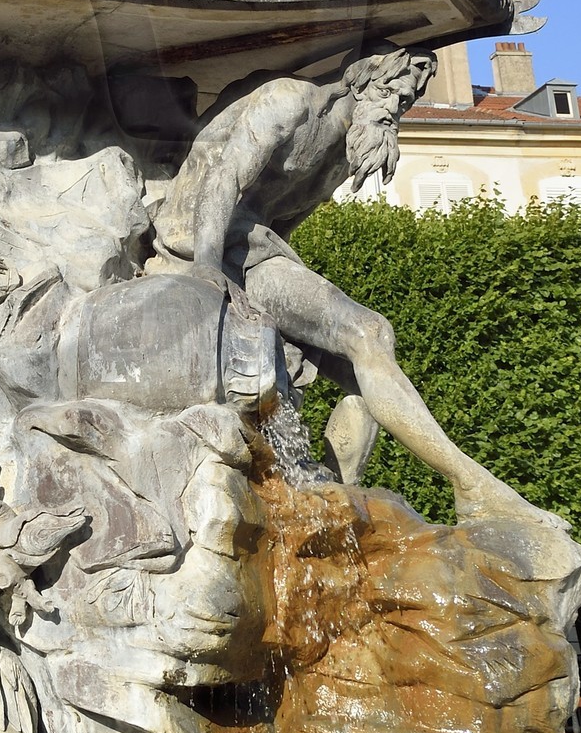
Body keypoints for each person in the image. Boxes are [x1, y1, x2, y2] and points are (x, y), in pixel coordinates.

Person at [152, 47, 553, 525]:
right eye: (390, 94)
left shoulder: (348, 151)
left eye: (405, 104)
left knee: (364, 368)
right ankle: (470, 484)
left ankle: (322, 498)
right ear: (360, 82)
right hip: (206, 241)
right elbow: (224, 178)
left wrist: (290, 293)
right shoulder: (289, 101)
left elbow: (285, 218)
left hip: (257, 249)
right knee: (368, 333)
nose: (395, 110)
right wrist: (208, 272)